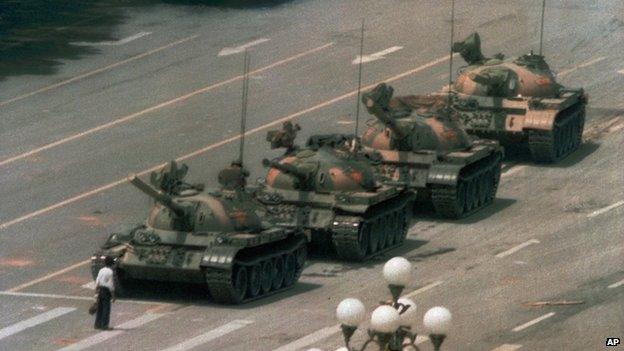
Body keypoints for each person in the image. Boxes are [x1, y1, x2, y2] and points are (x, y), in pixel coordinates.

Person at [94, 256, 116, 330]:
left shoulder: (101, 270)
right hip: (106, 291)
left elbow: (97, 281)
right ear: (111, 264)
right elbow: (111, 285)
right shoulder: (110, 272)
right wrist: (113, 296)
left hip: (100, 290)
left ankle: (97, 324)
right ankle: (104, 325)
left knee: (100, 308)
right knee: (106, 309)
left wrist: (96, 292)